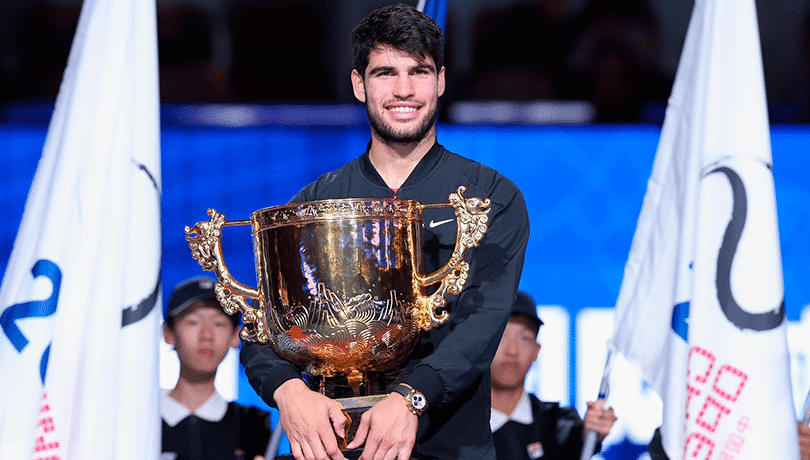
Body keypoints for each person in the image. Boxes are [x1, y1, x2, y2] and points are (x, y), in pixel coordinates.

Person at [239, 4, 530, 460]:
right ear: (359, 84)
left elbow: (483, 321)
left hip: (449, 449)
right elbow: (261, 329)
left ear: (442, 81)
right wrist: (288, 392)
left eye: (419, 71)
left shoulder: (489, 196)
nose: (404, 90)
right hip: (335, 448)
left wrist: (411, 397)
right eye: (385, 73)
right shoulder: (314, 203)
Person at [490, 291, 616, 460]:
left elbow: (574, 440)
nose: (512, 350)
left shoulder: (556, 423)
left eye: (525, 338)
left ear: (536, 351)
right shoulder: (455, 428)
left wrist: (591, 431)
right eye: (501, 335)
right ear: (482, 346)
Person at [162, 276, 272, 460]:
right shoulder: (139, 418)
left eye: (219, 323)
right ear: (168, 333)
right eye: (193, 322)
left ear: (236, 336)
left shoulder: (252, 425)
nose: (207, 335)